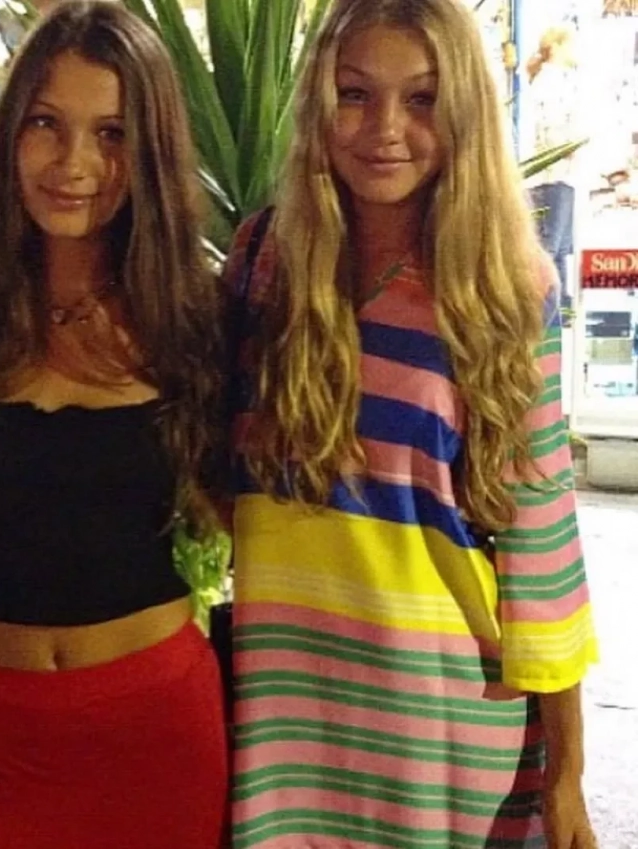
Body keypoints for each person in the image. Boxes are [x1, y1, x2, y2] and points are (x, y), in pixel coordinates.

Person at [222, 1, 599, 847]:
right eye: (354, 93)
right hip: (285, 721)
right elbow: (218, 467)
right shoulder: (262, 260)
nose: (384, 129)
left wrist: (568, 775)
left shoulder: (504, 285)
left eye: (421, 99)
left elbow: (540, 536)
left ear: (463, 108)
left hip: (441, 732)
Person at [0, 3, 228, 848]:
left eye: (112, 134)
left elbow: (257, 516)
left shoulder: (195, 321)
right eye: (46, 123)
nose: (74, 164)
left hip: (158, 731)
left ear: (149, 153)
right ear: (9, 136)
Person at [526, 26, 581, 313]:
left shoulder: (556, 80)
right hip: (551, 176)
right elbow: (550, 126)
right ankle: (545, 316)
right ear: (557, 47)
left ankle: (558, 315)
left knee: (559, 250)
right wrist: (569, 145)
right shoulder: (549, 82)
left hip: (560, 175)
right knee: (550, 248)